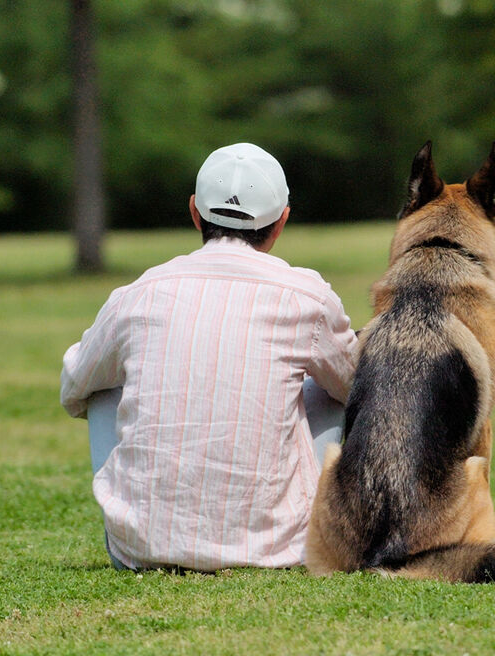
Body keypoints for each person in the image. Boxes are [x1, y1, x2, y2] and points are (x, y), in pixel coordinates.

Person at [60, 143, 359, 572]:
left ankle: (142, 519)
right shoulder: (307, 296)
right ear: (281, 222)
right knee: (331, 384)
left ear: (195, 213)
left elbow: (74, 388)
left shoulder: (138, 293)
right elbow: (355, 387)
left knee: (101, 382)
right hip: (275, 551)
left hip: (138, 550)